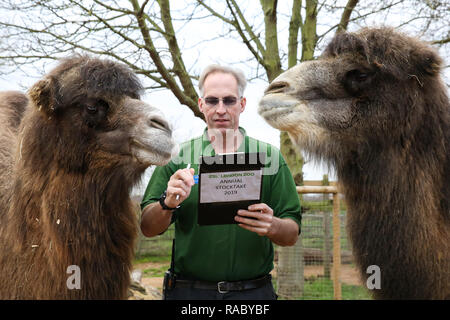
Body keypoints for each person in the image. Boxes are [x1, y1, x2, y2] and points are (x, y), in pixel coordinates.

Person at [140, 64, 301, 300]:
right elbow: (147, 227)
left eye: (229, 100)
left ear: (242, 104)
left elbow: (292, 233)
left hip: (253, 294)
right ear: (201, 104)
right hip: (189, 293)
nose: (221, 109)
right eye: (212, 100)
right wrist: (167, 203)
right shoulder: (178, 159)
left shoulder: (270, 157)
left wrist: (273, 225)